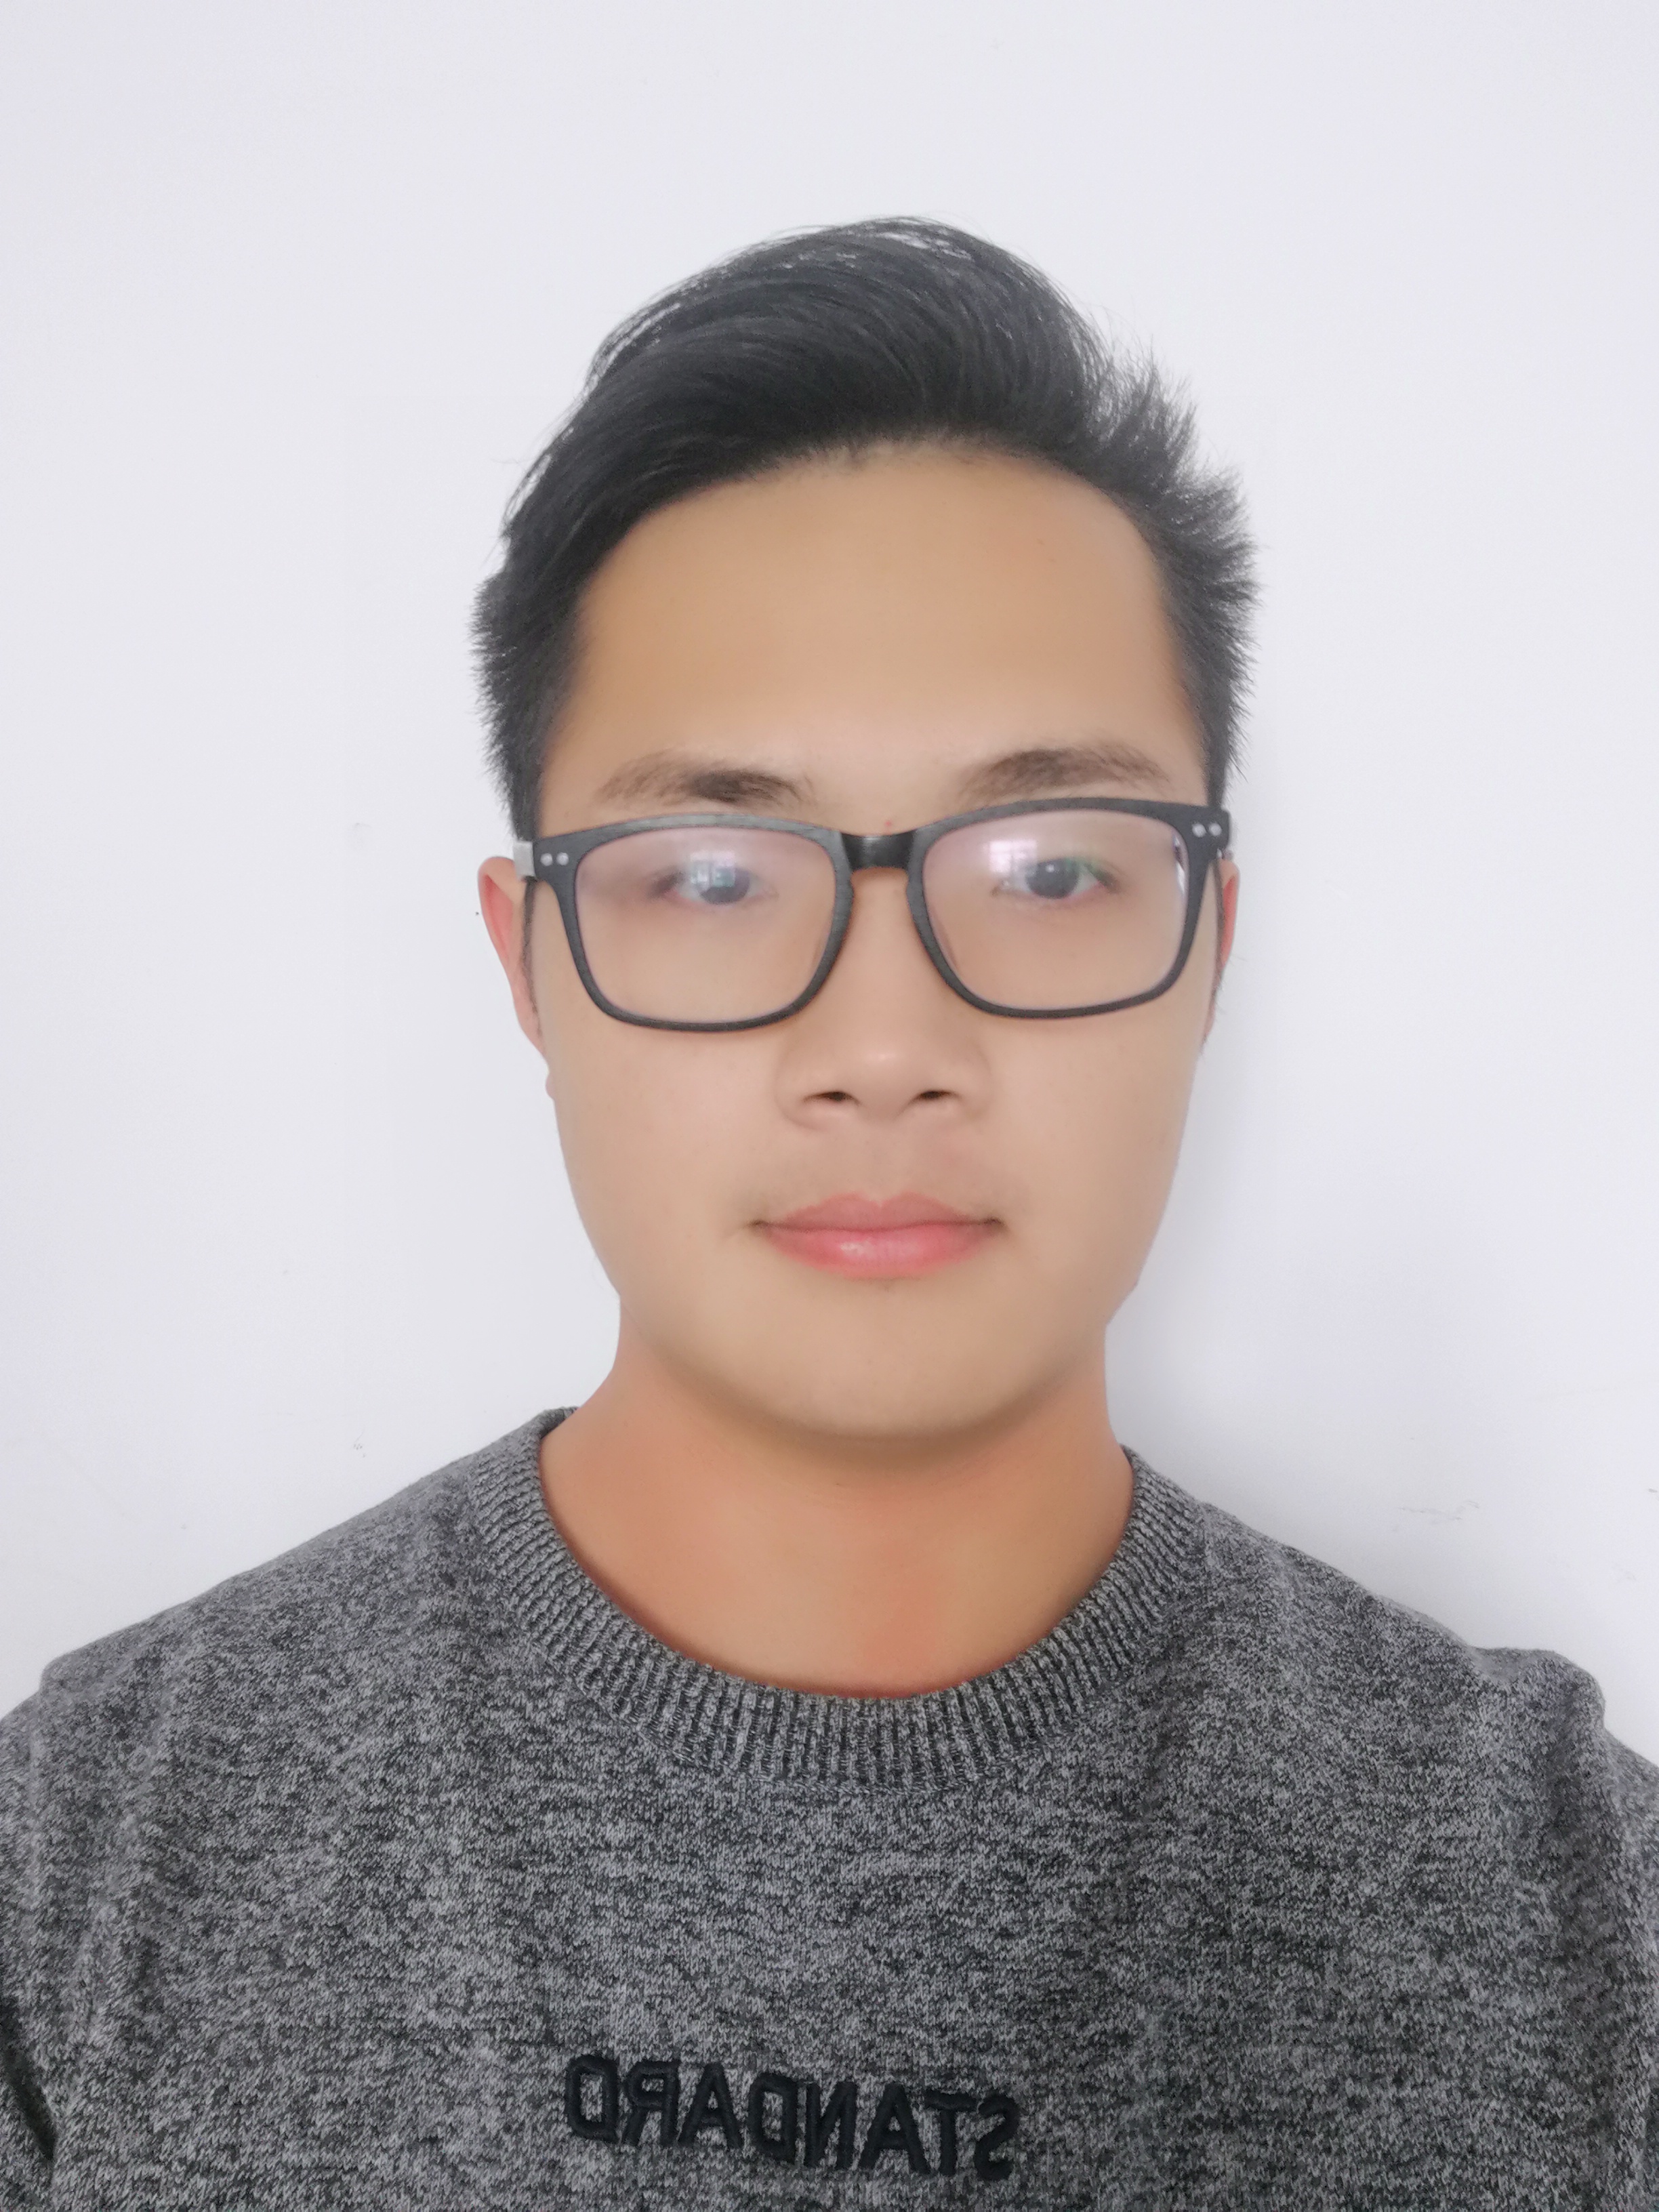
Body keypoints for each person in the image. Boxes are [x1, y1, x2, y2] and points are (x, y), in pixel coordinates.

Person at [1, 218, 1654, 2211]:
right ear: (529, 966)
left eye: (1050, 871)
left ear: (1210, 946)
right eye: (712, 875)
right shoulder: (76, 1863)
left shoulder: (1588, 1931)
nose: (884, 1048)